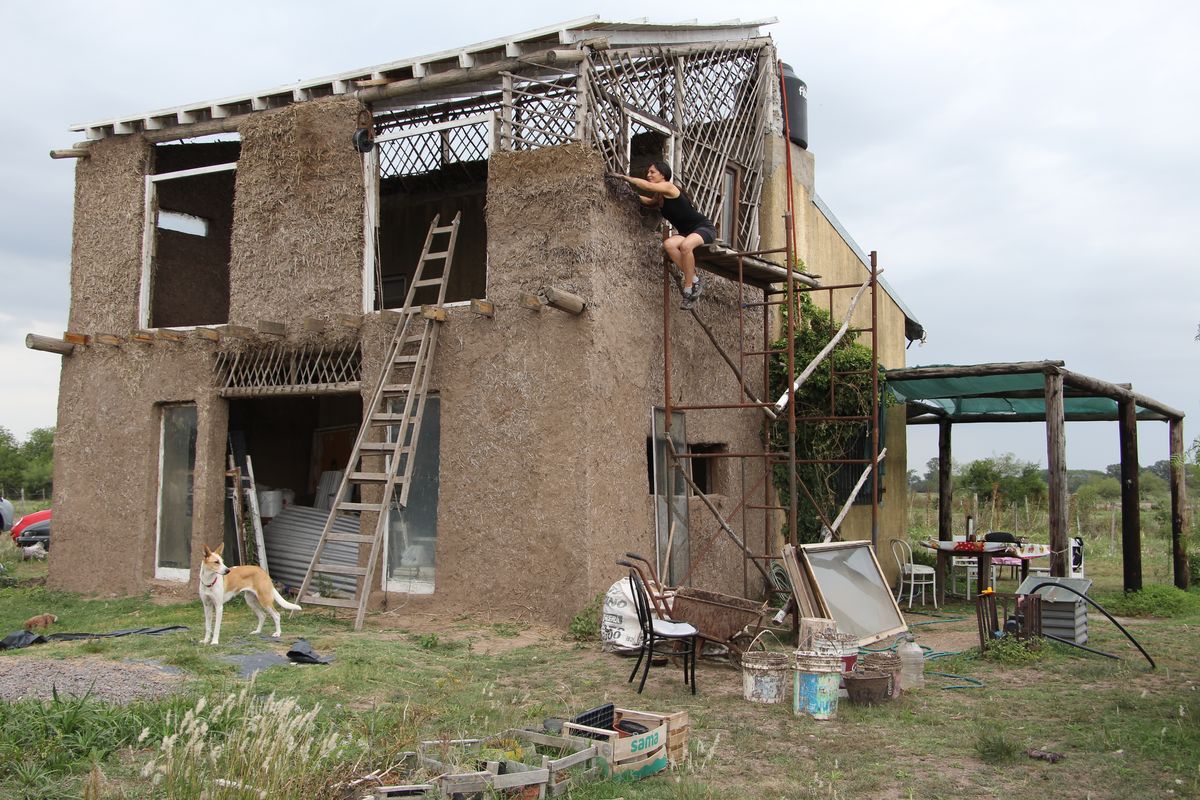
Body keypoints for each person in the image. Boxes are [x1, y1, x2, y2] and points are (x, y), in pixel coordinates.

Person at [614, 161, 718, 309]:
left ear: (663, 174)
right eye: (648, 173)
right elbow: (649, 201)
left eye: (652, 172)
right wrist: (631, 195)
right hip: (685, 232)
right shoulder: (660, 196)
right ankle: (695, 279)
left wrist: (624, 178)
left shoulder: (669, 187)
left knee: (686, 246)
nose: (648, 175)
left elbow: (647, 187)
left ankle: (688, 288)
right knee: (668, 245)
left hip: (703, 228)